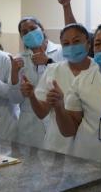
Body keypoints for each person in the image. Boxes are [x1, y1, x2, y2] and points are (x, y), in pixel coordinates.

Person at [53, 23, 101, 168]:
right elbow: (68, 131)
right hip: (86, 162)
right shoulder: (82, 80)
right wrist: (59, 107)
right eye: (98, 44)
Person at [21, 23, 97, 154]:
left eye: (77, 41)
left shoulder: (99, 70)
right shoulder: (53, 70)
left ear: (88, 43)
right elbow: (41, 113)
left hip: (91, 145)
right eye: (66, 43)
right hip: (57, 145)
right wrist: (32, 96)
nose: (71, 46)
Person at [10, 17, 65, 148]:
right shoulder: (18, 59)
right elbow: (14, 98)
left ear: (42, 29)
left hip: (57, 118)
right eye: (24, 32)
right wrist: (14, 74)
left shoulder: (61, 52)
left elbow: (70, 80)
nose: (29, 33)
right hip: (29, 125)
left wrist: (48, 62)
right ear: (22, 37)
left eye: (33, 29)